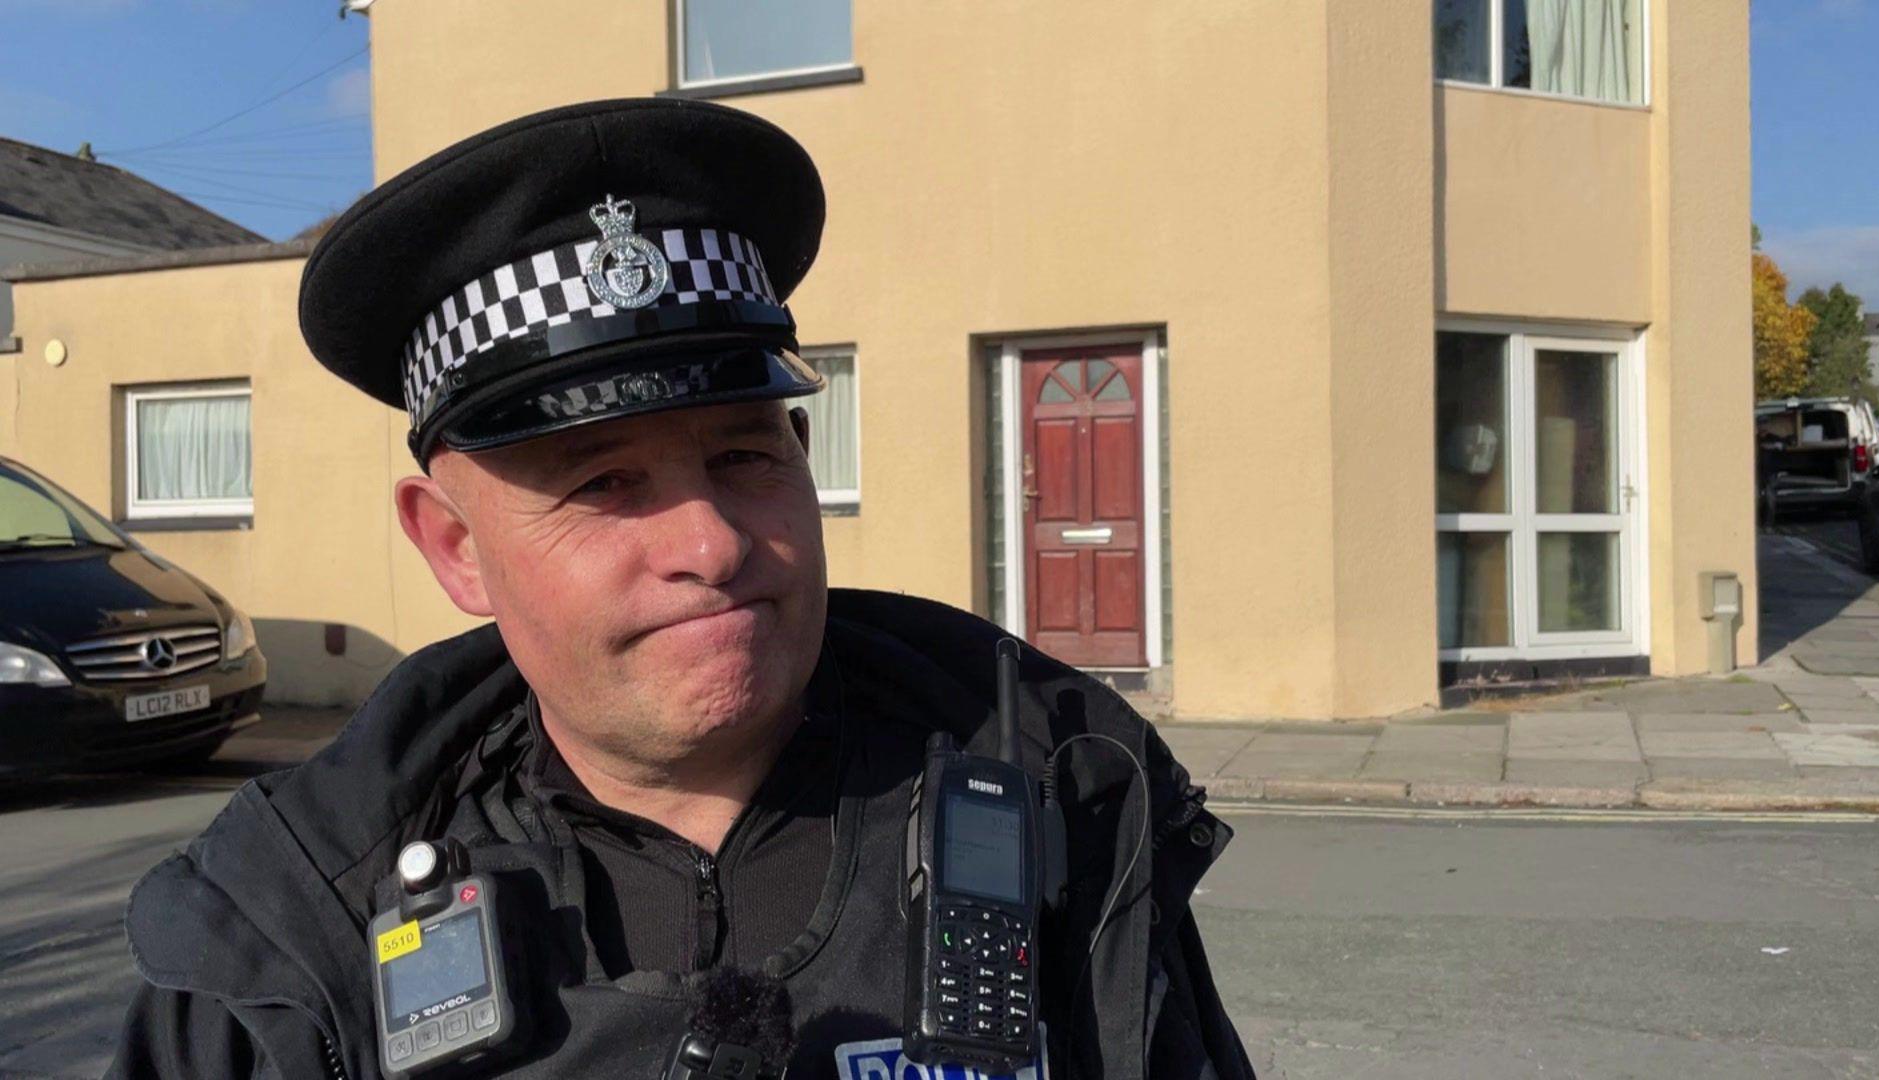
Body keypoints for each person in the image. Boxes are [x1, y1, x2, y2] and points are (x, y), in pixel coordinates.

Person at [108, 98, 1251, 1079]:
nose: (708, 542)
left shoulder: (1064, 797)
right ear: (455, 547)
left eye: (744, 456)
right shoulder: (285, 923)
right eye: (602, 481)